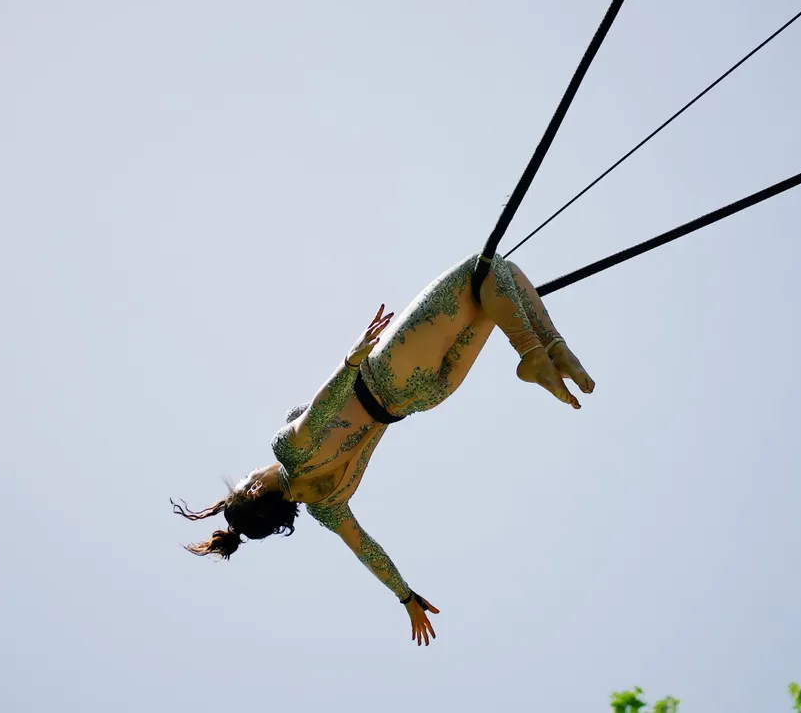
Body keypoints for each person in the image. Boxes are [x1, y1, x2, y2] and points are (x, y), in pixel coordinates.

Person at [171, 253, 594, 646]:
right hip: (391, 368)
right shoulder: (288, 450)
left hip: (419, 397)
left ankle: (548, 352)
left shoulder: (329, 506)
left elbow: (367, 551)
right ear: (253, 493)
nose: (251, 472)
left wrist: (406, 597)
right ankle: (537, 351)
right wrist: (352, 359)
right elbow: (319, 411)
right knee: (481, 268)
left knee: (493, 288)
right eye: (246, 480)